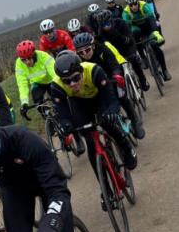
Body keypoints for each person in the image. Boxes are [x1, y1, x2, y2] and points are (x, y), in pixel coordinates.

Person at [49, 51, 138, 190]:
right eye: (67, 81)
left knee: (108, 123)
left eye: (76, 78)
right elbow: (63, 111)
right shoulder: (56, 85)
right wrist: (66, 125)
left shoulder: (94, 71)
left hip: (99, 97)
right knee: (90, 142)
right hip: (79, 103)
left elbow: (111, 99)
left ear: (81, 70)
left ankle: (127, 147)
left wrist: (112, 112)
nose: (72, 84)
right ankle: (105, 189)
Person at [73, 31, 145, 139]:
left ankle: (134, 120)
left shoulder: (102, 49)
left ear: (93, 46)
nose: (85, 54)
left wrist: (116, 75)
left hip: (110, 76)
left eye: (87, 50)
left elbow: (114, 65)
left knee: (121, 95)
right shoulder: (77, 61)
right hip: (95, 84)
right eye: (81, 52)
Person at [93, 8, 151, 92]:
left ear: (111, 20)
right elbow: (104, 46)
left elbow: (129, 41)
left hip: (127, 46)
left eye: (107, 23)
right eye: (102, 25)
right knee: (117, 68)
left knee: (133, 60)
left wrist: (114, 32)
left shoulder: (121, 23)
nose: (105, 27)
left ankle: (142, 79)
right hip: (115, 50)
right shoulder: (101, 30)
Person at [123, 0, 171, 81]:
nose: (133, 7)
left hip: (147, 26)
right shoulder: (126, 12)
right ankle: (143, 58)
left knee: (155, 46)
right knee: (135, 34)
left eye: (135, 4)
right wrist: (130, 41)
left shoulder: (144, 5)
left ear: (138, 2)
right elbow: (126, 27)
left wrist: (155, 32)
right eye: (131, 5)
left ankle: (164, 70)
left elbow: (152, 20)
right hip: (136, 28)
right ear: (128, 6)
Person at [14, 40, 56, 119]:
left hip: (51, 80)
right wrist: (24, 103)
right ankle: (48, 118)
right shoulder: (19, 64)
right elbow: (22, 85)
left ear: (34, 55)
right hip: (37, 83)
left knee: (57, 98)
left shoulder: (43, 56)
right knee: (38, 103)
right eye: (23, 60)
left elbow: (54, 73)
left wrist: (59, 87)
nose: (27, 62)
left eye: (29, 58)